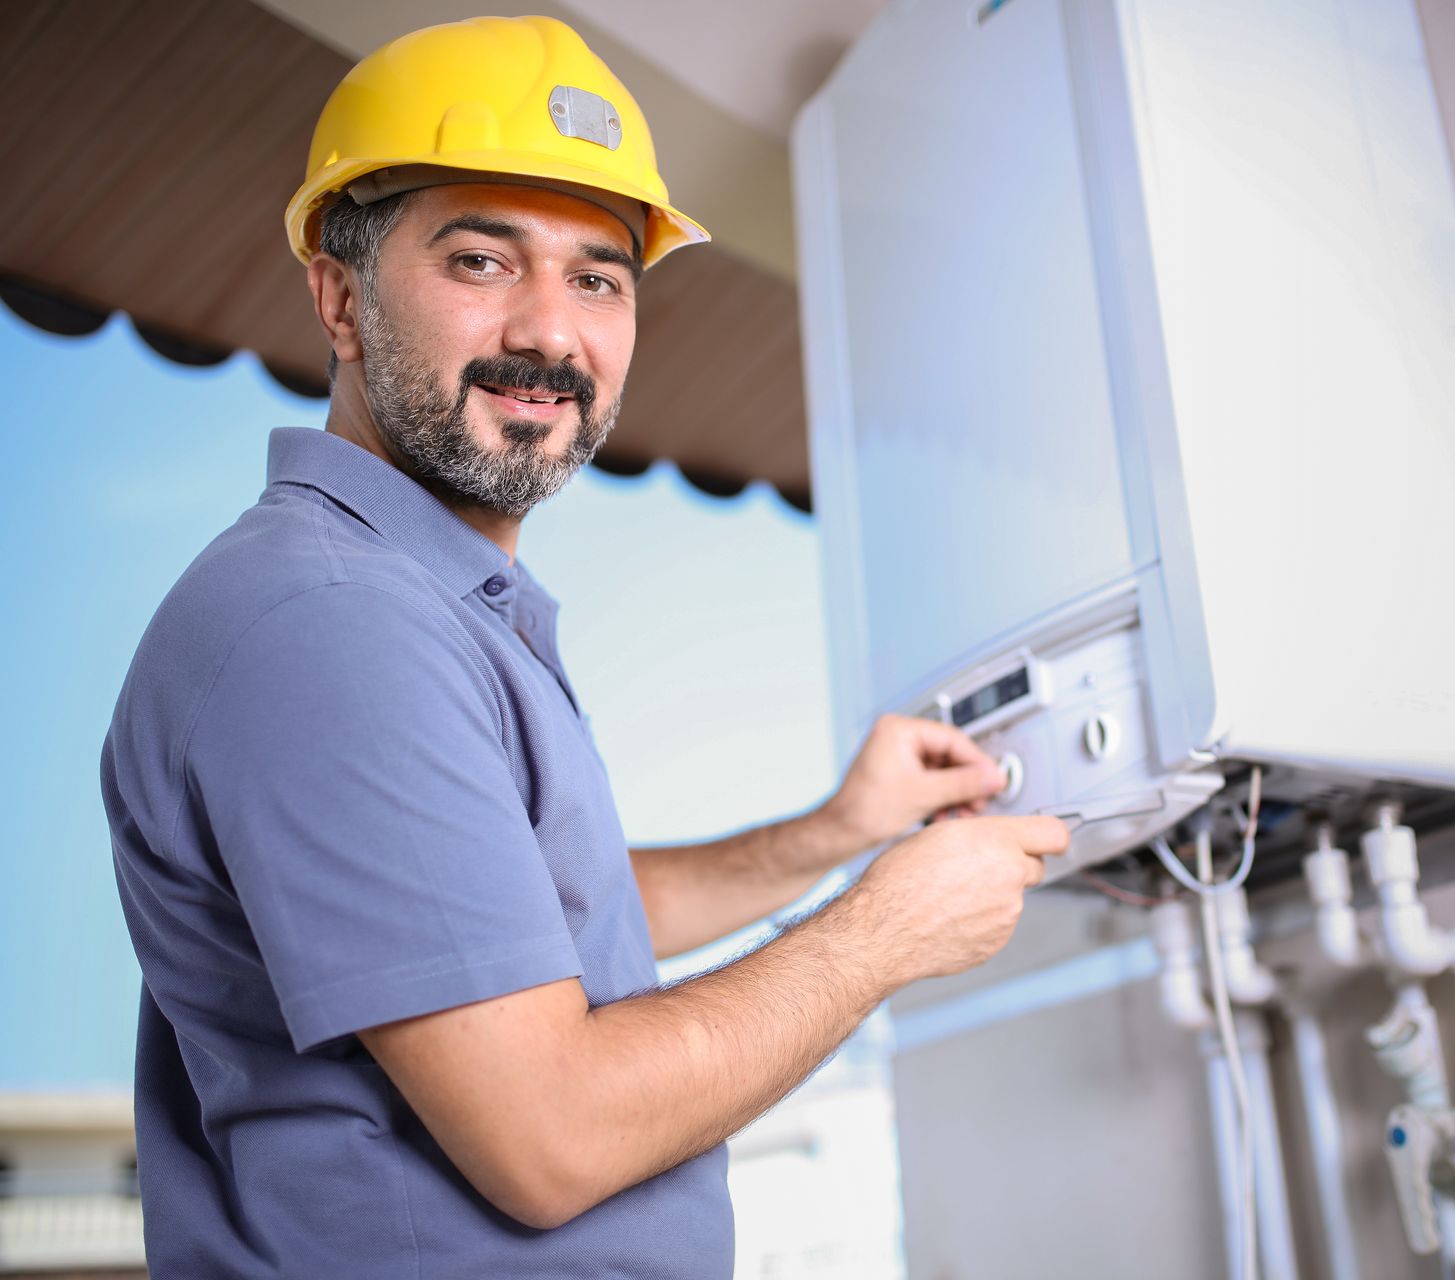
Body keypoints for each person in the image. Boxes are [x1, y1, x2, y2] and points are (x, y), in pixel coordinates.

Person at [99, 16, 1069, 1278]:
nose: (553, 334)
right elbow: (549, 1133)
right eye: (483, 259)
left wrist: (837, 830)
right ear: (339, 296)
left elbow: (521, 926)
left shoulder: (425, 601)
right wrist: (884, 929)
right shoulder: (329, 624)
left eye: (599, 278)